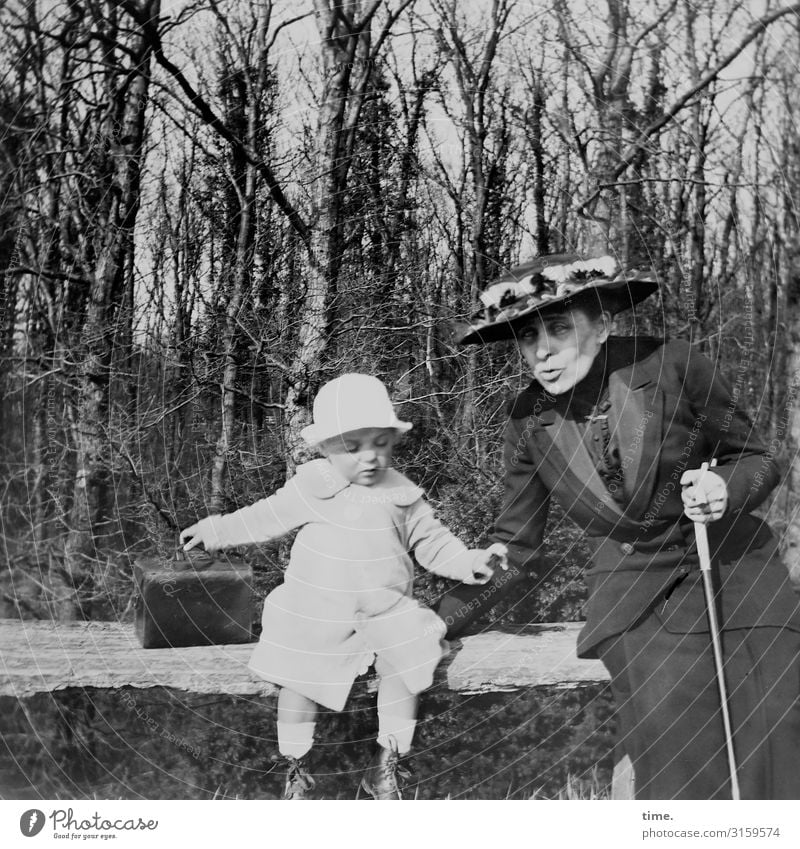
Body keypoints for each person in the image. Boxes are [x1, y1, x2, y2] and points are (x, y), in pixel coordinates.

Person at [437, 253, 800, 799]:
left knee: (778, 721)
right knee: (676, 740)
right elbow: (515, 544)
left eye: (560, 328)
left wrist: (725, 488)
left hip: (736, 570)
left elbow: (756, 459)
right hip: (637, 596)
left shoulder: (675, 366)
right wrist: (440, 621)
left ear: (603, 324)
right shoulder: (527, 422)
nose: (541, 351)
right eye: (527, 336)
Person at [180, 373, 506, 800]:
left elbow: (433, 543)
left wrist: (469, 562)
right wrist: (214, 530)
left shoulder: (403, 494)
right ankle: (295, 764)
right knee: (298, 670)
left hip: (385, 609)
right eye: (353, 448)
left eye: (380, 444)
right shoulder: (315, 487)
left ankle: (389, 762)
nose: (369, 458)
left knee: (410, 662)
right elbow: (263, 517)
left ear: (393, 439)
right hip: (316, 609)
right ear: (327, 448)